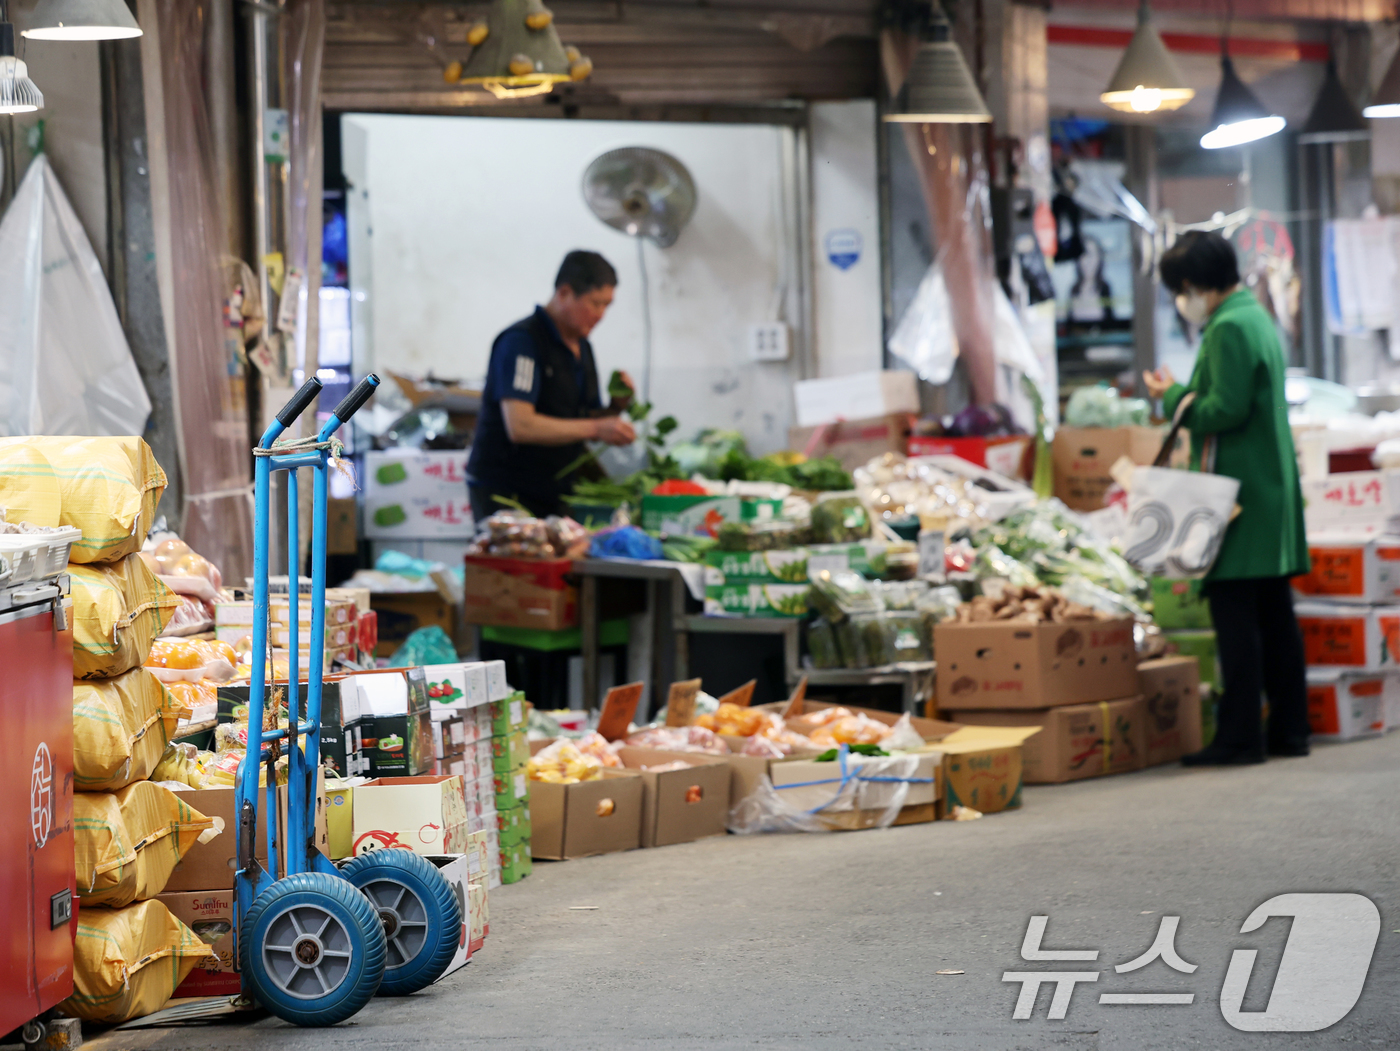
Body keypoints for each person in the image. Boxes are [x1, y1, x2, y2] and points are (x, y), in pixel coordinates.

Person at [1143, 231, 1311, 766]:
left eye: (1180, 288)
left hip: (1235, 493)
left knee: (1235, 616)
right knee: (1274, 616)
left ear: (1195, 284)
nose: (1181, 299)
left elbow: (1224, 410)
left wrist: (1171, 395)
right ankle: (1290, 730)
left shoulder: (1228, 327)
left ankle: (1240, 738)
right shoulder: (1254, 316)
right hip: (1266, 485)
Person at [467, 251, 636, 522]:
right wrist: (596, 427)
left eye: (607, 306)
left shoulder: (583, 347)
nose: (601, 315)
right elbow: (520, 426)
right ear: (565, 293)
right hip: (508, 493)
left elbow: (584, 420)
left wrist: (616, 408)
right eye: (595, 304)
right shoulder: (522, 342)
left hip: (555, 491)